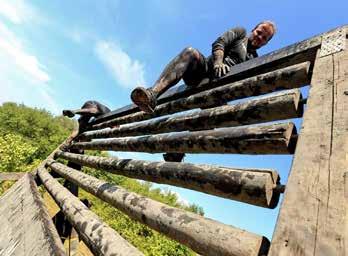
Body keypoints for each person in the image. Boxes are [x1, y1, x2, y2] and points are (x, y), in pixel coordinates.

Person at [130, 21, 276, 113]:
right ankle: (152, 95)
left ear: (266, 43)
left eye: (264, 38)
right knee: (190, 52)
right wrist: (219, 62)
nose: (260, 37)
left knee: (218, 115)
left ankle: (177, 151)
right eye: (259, 32)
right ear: (253, 29)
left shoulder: (255, 60)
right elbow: (220, 42)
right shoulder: (240, 33)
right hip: (204, 72)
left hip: (220, 89)